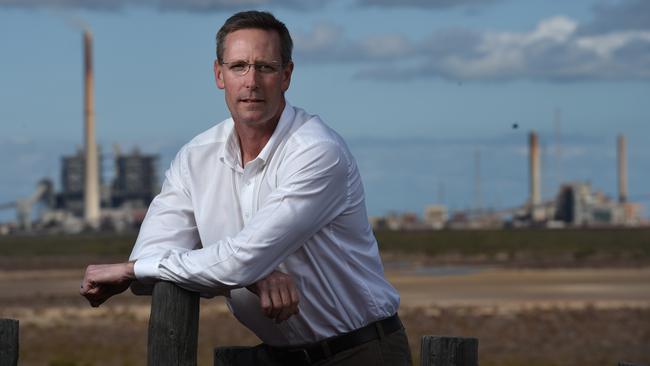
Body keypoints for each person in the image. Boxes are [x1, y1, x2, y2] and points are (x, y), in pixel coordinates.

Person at [80, 10, 412, 365]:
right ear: (218, 74)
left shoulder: (317, 152)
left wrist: (241, 268)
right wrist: (253, 277)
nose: (251, 80)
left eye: (265, 67)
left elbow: (148, 268)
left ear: (286, 75)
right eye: (238, 66)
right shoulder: (196, 158)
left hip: (358, 352)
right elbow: (153, 262)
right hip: (277, 356)